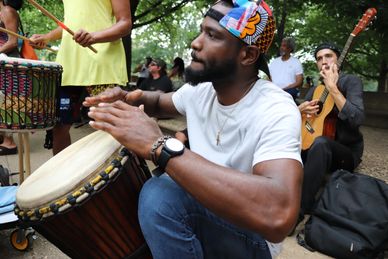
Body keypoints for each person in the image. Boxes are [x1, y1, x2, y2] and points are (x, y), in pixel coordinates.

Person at [84, 0, 303, 258]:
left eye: (212, 35)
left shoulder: (275, 108)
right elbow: (158, 102)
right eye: (201, 31)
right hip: (203, 211)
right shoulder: (202, 90)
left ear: (248, 55)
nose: (196, 43)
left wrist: (160, 146)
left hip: (252, 240)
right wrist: (129, 96)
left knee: (160, 196)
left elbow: (278, 215)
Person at [29, 0, 132, 155]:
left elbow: (125, 23)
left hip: (101, 63)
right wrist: (47, 37)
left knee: (111, 125)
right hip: (69, 65)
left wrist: (94, 36)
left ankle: (118, 177)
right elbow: (70, 24)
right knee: (59, 125)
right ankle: (64, 177)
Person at [298, 42, 364, 220]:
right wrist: (300, 110)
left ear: (338, 60)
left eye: (329, 56)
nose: (324, 61)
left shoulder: (351, 82)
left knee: (320, 144)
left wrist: (333, 88)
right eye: (319, 58)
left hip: (344, 152)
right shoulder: (315, 89)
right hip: (313, 146)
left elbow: (356, 119)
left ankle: (299, 210)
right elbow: (303, 121)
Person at [0, 0, 23, 156]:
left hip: (8, 63)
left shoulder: (7, 11)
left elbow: (13, 41)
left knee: (5, 102)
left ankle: (9, 142)